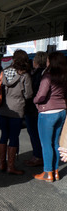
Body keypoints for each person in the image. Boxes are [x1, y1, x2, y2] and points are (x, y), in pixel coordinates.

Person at [0, 49, 33, 175]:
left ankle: (2, 163)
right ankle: (11, 166)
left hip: (3, 109)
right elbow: (28, 95)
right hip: (17, 110)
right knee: (13, 137)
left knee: (3, 136)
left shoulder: (4, 72)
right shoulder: (25, 76)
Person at [33, 51, 67, 182]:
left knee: (46, 143)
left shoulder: (47, 76)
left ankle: (47, 173)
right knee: (55, 143)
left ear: (51, 62)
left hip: (47, 112)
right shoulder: (64, 76)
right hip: (62, 111)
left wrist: (34, 101)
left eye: (48, 60)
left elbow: (41, 95)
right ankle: (56, 171)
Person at [24, 51, 47, 167]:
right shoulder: (47, 73)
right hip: (43, 109)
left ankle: (37, 156)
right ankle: (41, 157)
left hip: (33, 108)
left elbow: (32, 92)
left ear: (36, 61)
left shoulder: (37, 75)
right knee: (43, 135)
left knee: (33, 133)